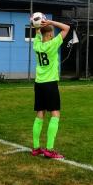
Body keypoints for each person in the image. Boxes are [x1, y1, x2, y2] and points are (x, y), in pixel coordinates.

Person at [31, 18, 70, 159]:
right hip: (50, 84)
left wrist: (37, 26)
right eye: (52, 33)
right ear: (48, 35)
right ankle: (49, 149)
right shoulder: (53, 44)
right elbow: (66, 28)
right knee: (55, 114)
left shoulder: (37, 45)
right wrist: (51, 22)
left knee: (40, 114)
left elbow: (37, 34)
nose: (53, 34)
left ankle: (36, 148)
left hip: (39, 83)